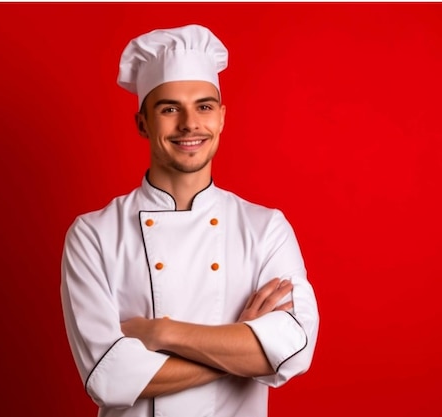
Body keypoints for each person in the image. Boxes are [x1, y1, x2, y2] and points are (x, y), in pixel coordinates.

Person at [60, 24, 319, 417]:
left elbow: (294, 350)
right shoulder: (93, 234)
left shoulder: (265, 228)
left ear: (221, 118)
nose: (189, 124)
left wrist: (162, 333)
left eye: (204, 106)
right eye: (169, 108)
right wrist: (244, 347)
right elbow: (108, 378)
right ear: (143, 123)